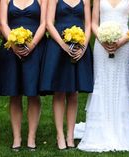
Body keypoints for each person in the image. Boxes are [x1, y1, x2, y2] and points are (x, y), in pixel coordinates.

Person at [77, 0, 129, 152]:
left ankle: (124, 130)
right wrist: (103, 40)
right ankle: (100, 129)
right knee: (102, 83)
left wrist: (122, 41)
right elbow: (94, 23)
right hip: (101, 47)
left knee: (122, 84)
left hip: (124, 44)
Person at [40, 0, 93, 150]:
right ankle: (60, 135)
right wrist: (63, 45)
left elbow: (88, 25)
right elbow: (49, 23)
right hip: (58, 46)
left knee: (73, 93)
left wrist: (83, 46)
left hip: (78, 47)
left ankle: (70, 135)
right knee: (59, 92)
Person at [0, 0, 47, 151]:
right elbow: (2, 22)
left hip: (35, 48)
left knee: (33, 94)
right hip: (11, 50)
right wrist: (13, 44)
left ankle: (31, 137)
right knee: (15, 94)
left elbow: (44, 23)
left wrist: (31, 45)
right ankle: (17, 137)